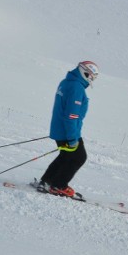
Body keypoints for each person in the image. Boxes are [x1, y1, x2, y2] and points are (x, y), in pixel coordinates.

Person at [38, 60, 99, 197]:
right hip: (68, 131)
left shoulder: (67, 82)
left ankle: (47, 181)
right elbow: (71, 115)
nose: (91, 81)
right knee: (79, 157)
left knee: (65, 157)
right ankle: (58, 185)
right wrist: (72, 137)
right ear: (84, 73)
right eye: (91, 77)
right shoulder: (77, 88)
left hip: (61, 129)